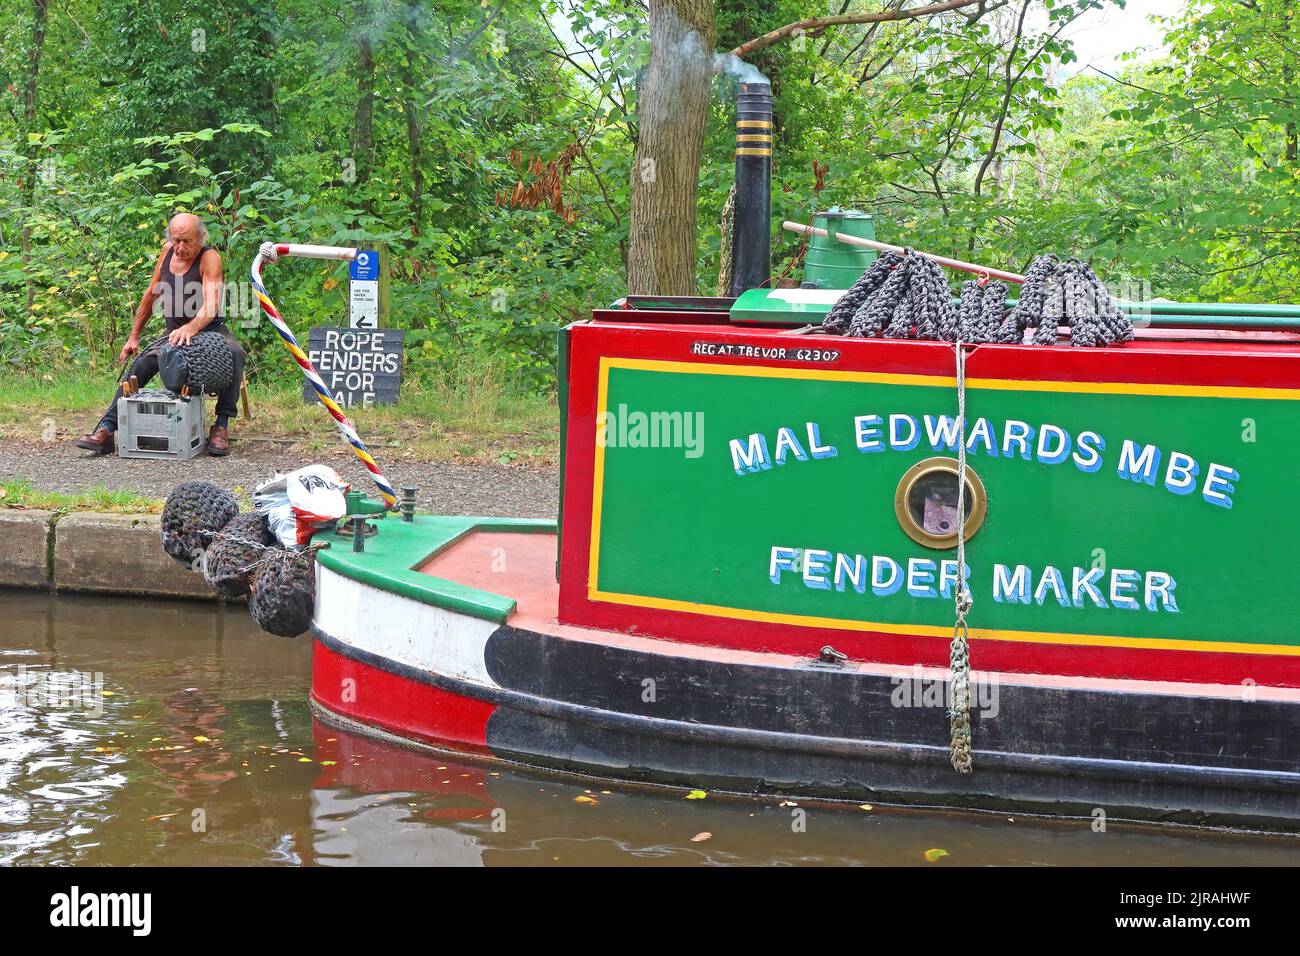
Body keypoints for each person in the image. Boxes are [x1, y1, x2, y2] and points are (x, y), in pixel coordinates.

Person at [75, 213, 245, 456]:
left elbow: (211, 304)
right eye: (176, 240)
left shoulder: (209, 258)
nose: (180, 247)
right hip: (173, 335)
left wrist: (191, 328)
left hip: (209, 331)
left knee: (235, 353)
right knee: (141, 363)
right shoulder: (167, 252)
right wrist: (134, 336)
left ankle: (221, 426)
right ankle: (107, 429)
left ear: (201, 238)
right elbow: (152, 293)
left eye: (187, 241)